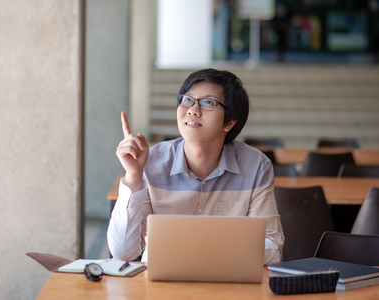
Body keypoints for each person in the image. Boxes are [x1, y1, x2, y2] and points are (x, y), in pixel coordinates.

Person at [107, 68, 284, 265]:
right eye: (187, 99)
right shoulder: (151, 162)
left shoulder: (255, 166)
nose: (192, 110)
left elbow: (273, 249)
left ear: (230, 122)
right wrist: (133, 175)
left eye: (208, 102)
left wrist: (203, 252)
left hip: (227, 286)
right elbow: (123, 253)